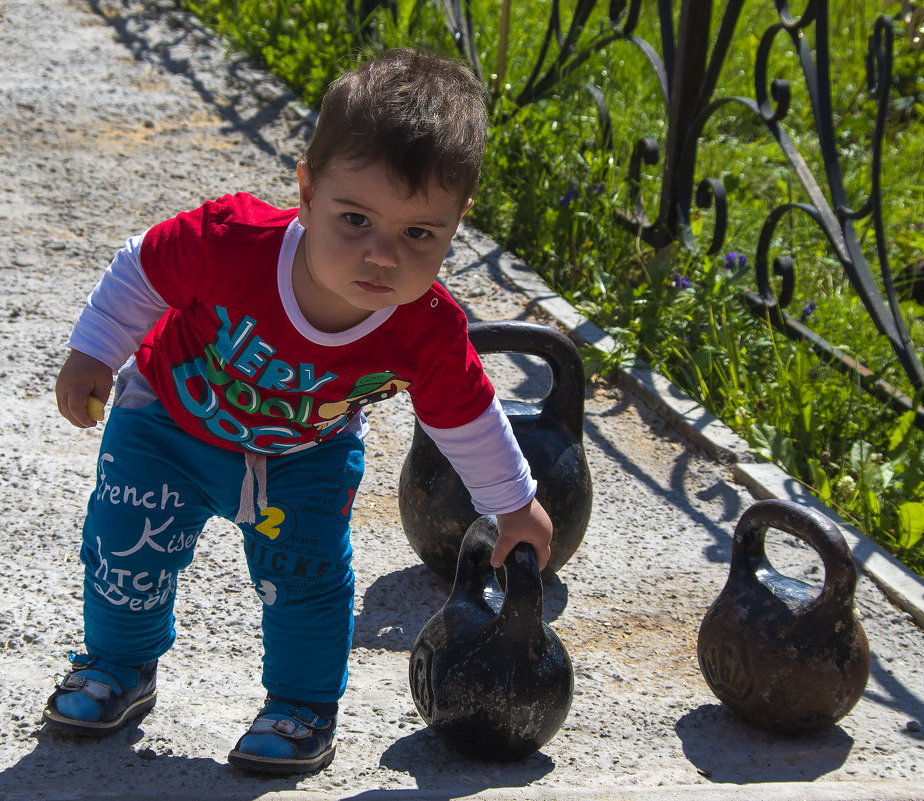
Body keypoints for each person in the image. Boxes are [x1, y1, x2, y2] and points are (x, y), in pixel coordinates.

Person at [43, 47, 554, 775]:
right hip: (167, 422)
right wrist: (95, 350)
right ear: (307, 192)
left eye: (419, 234)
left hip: (304, 454)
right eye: (354, 219)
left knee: (308, 577)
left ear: (456, 223)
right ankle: (118, 666)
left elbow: (463, 413)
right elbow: (144, 266)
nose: (381, 256)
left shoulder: (426, 328)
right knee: (127, 548)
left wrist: (514, 504)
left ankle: (300, 706)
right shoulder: (231, 244)